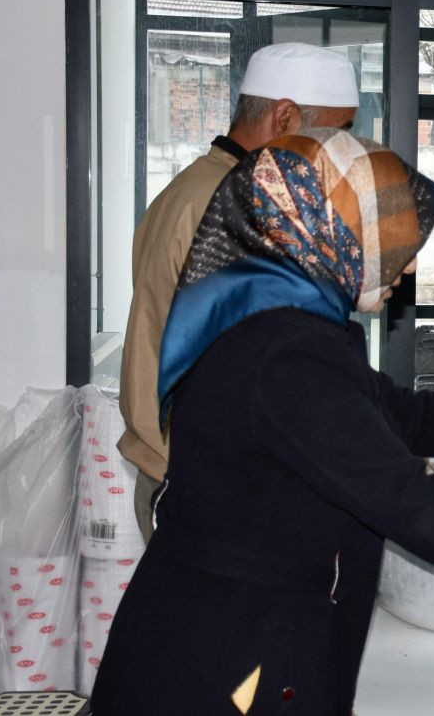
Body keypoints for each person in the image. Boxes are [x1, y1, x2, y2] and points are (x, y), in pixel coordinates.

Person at [90, 129, 434, 715]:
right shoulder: (284, 350)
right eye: (390, 240)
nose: (405, 265)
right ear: (325, 234)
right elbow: (403, 495)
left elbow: (398, 412)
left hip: (238, 632)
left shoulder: (280, 318)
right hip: (228, 659)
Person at [118, 42, 359, 543]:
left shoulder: (187, 188)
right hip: (208, 481)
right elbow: (270, 368)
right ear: (285, 118)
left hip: (180, 466)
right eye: (335, 134)